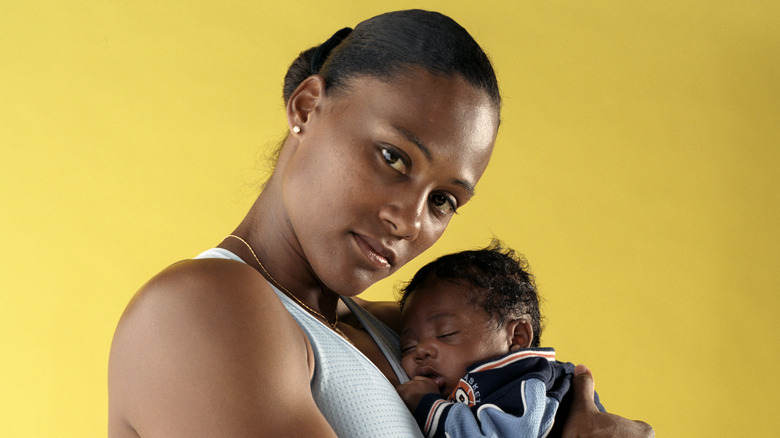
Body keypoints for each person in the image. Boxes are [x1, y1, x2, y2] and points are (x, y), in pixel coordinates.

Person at [108, 9, 653, 438]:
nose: (408, 221)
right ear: (306, 106)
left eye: (442, 200)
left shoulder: (408, 333)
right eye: (393, 158)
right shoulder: (198, 310)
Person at [396, 241, 605, 438]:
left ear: (516, 338)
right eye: (408, 346)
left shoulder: (528, 381)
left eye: (446, 333)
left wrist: (429, 407)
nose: (421, 350)